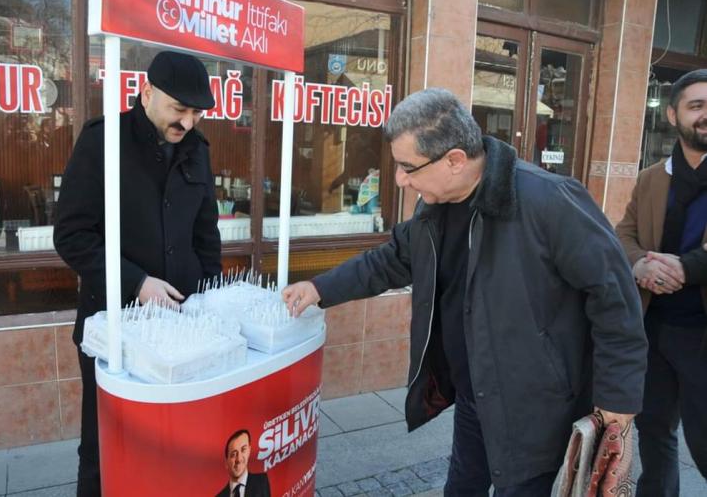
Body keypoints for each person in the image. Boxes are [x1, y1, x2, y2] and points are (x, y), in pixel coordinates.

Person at [283, 88, 648, 496]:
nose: (401, 179)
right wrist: (318, 287)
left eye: (408, 167)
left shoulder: (550, 201)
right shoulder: (433, 207)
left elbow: (615, 300)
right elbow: (392, 259)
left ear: (454, 160)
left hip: (540, 409)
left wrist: (618, 399)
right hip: (476, 395)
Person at [53, 51, 222, 497]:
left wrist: (209, 297)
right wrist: (138, 283)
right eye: (178, 109)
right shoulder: (102, 142)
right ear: (146, 93)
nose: (187, 122)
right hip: (115, 325)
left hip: (182, 328)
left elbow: (207, 235)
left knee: (177, 443)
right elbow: (71, 236)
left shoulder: (197, 152)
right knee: (104, 445)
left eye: (196, 113)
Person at [615, 69, 707, 496]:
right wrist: (639, 266)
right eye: (697, 106)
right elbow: (625, 233)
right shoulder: (653, 177)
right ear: (673, 115)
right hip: (653, 329)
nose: (706, 115)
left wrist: (688, 268)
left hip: (701, 335)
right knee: (653, 434)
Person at [216, 430, 271, 497]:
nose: (239, 459)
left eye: (243, 450)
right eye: (233, 454)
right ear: (226, 463)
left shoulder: (261, 482)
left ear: (249, 451)